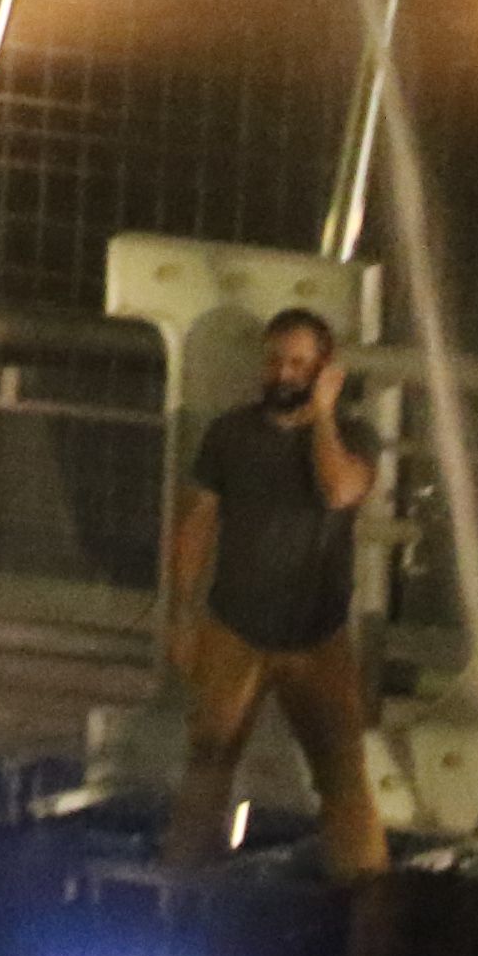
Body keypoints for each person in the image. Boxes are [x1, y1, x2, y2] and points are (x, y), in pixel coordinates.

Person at [161, 307, 385, 879]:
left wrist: (323, 418)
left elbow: (338, 491)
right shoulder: (231, 433)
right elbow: (196, 523)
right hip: (235, 627)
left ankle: (365, 902)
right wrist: (183, 615)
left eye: (298, 363)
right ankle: (184, 893)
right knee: (208, 764)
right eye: (275, 360)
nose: (282, 373)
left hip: (318, 636)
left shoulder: (356, 436)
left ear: (324, 368)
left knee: (343, 775)